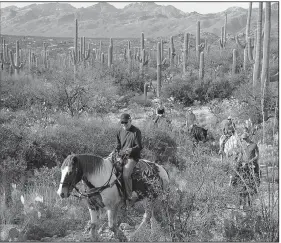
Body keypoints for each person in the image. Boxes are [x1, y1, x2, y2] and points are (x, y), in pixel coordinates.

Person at [116, 113, 143, 204]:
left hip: (132, 157)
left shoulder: (136, 131)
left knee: (126, 175)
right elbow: (118, 145)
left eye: (125, 122)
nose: (123, 124)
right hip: (121, 156)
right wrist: (116, 152)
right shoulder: (119, 131)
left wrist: (130, 150)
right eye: (122, 122)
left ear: (130, 121)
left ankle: (129, 196)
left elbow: (139, 146)